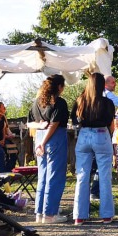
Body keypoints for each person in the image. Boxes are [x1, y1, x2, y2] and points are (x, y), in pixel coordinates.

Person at [71, 73, 116, 225]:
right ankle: (106, 215)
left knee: (82, 176)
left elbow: (74, 121)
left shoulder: (80, 101)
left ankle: (79, 215)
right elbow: (110, 122)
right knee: (104, 175)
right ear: (102, 85)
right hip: (101, 134)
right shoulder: (107, 102)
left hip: (83, 136)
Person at [31, 74, 70, 224]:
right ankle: (50, 214)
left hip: (39, 138)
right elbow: (54, 124)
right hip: (54, 139)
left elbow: (30, 123)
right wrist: (44, 141)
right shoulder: (59, 102)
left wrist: (40, 139)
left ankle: (39, 213)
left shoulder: (37, 103)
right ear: (59, 87)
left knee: (42, 177)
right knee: (54, 177)